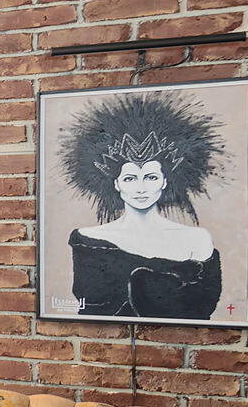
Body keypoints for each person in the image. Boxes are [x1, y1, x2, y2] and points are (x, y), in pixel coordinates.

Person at [59, 90, 226, 320]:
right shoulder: (89, 241)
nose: (140, 188)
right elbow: (92, 309)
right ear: (116, 184)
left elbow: (202, 307)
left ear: (165, 181)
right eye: (130, 178)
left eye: (150, 177)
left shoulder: (197, 239)